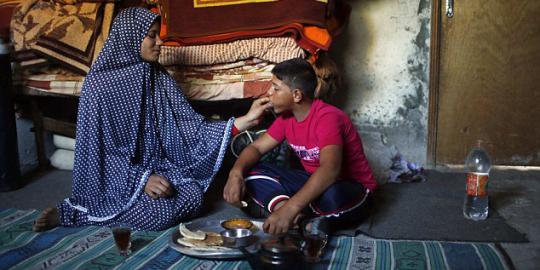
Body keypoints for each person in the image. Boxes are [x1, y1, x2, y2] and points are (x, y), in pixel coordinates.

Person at [33, 7, 271, 232]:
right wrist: (142, 179)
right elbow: (100, 153)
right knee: (158, 215)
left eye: (159, 36)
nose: (160, 42)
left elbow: (187, 127)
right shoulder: (99, 87)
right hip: (115, 178)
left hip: (158, 166)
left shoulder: (156, 75)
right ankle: (75, 214)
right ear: (131, 38)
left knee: (194, 194)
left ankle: (125, 204)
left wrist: (244, 121)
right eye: (152, 36)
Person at [223, 58, 377, 235]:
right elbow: (255, 149)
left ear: (297, 95)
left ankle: (290, 213)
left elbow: (330, 170)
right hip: (312, 183)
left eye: (276, 88)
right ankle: (295, 216)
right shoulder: (286, 119)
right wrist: (235, 174)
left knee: (332, 197)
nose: (269, 93)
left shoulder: (328, 118)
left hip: (348, 187)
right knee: (249, 172)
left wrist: (290, 208)